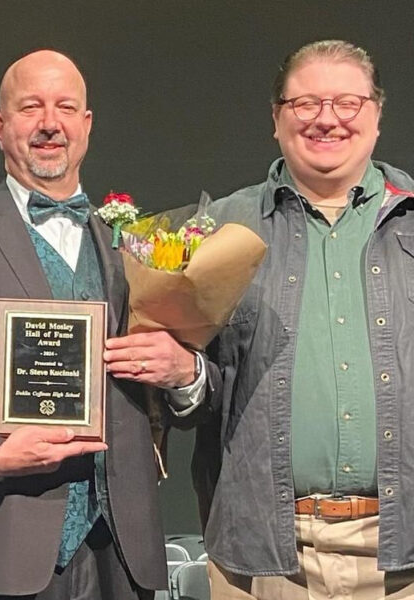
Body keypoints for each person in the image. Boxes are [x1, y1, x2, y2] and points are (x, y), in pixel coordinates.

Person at [0, 49, 215, 600]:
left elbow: (189, 389)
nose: (49, 123)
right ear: (0, 125)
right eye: (31, 107)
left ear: (86, 125)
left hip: (122, 556)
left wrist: (184, 373)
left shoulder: (138, 246)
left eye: (65, 107)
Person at [199, 40, 414, 599]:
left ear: (376, 114)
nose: (327, 119)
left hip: (407, 555)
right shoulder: (218, 229)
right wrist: (178, 377)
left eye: (347, 103)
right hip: (265, 560)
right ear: (276, 119)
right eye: (305, 104)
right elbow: (192, 394)